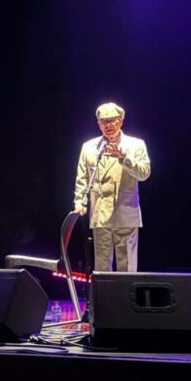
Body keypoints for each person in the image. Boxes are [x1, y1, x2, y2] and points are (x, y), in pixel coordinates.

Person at [73, 102, 151, 272]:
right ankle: (103, 292)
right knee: (102, 269)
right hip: (100, 215)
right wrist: (79, 201)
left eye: (112, 120)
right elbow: (82, 178)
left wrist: (124, 158)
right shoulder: (89, 147)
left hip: (125, 213)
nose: (108, 125)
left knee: (126, 268)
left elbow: (144, 174)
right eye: (103, 121)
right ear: (98, 123)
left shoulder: (136, 145)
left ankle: (126, 292)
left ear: (121, 121)